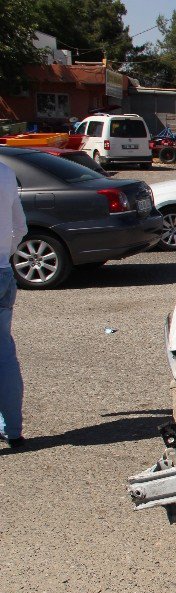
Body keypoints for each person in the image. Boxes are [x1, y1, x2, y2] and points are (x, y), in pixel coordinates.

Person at [0, 160, 26, 448]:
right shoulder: (6, 173)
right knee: (4, 354)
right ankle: (13, 429)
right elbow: (20, 227)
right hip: (3, 272)